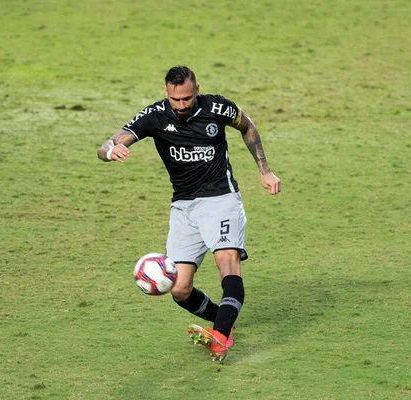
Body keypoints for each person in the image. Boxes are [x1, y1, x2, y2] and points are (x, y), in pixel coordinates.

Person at [97, 65, 281, 361]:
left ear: (197, 90)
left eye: (186, 98)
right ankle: (224, 320)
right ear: (167, 94)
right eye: (175, 100)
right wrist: (109, 151)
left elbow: (248, 126)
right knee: (180, 289)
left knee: (228, 266)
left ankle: (220, 338)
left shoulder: (218, 107)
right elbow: (112, 140)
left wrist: (265, 171)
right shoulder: (154, 116)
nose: (181, 105)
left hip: (221, 198)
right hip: (183, 207)